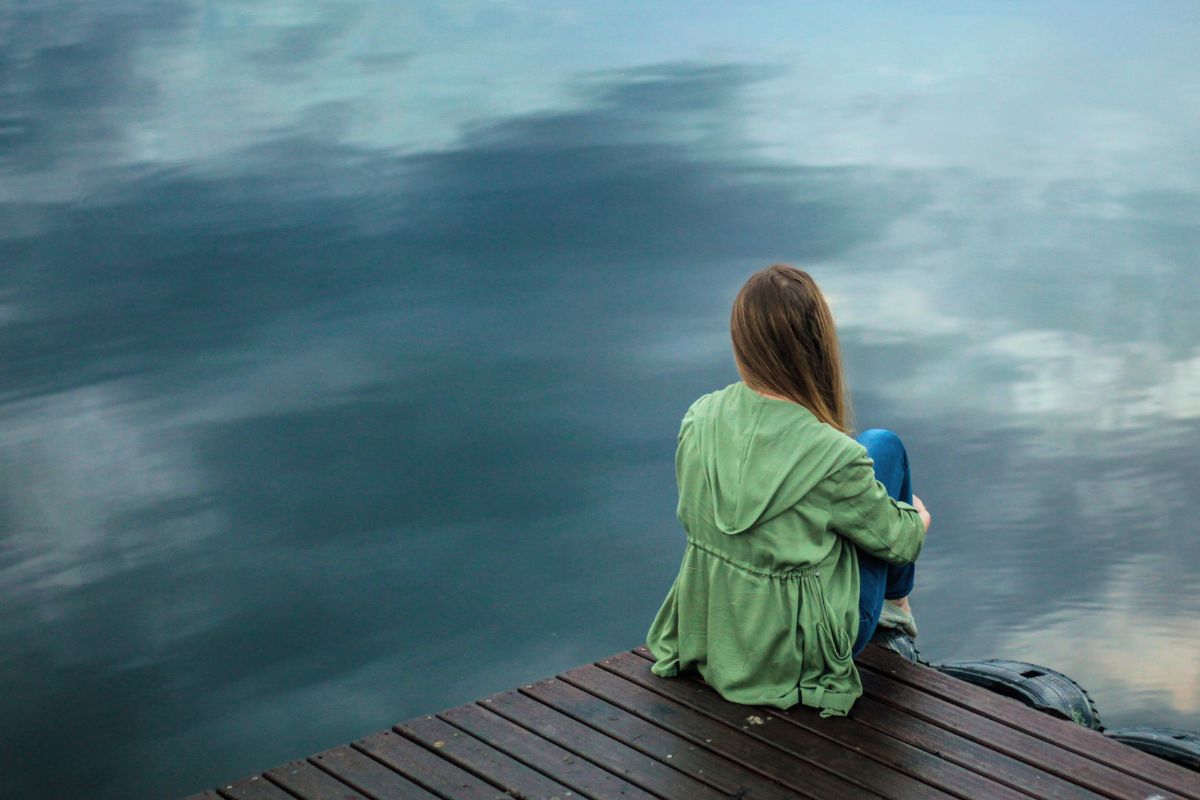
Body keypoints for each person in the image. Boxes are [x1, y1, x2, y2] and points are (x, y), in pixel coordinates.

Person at [644, 264, 932, 719]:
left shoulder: (698, 418)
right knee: (883, 446)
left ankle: (891, 610)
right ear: (817, 346)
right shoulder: (834, 456)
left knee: (866, 460)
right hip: (798, 655)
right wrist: (916, 517)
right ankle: (895, 613)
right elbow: (902, 543)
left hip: (718, 632)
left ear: (742, 343)